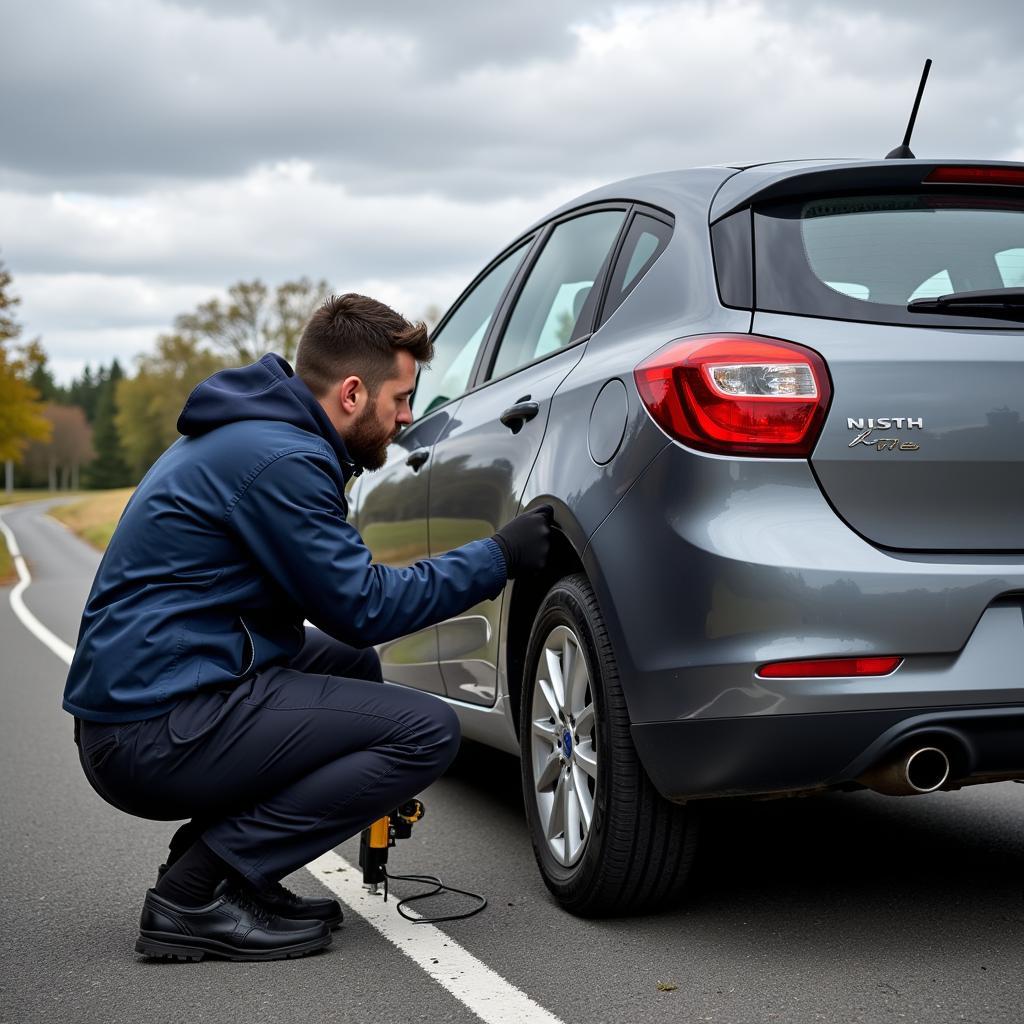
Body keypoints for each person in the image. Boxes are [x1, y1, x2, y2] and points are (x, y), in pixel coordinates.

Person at [63, 293, 552, 962]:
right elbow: (364, 607)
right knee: (426, 732)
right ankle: (195, 892)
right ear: (353, 392)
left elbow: (347, 624)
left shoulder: (260, 435)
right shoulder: (282, 460)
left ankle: (234, 871)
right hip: (151, 730)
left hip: (153, 701)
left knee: (348, 665)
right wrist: (499, 557)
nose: (408, 418)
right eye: (400, 399)